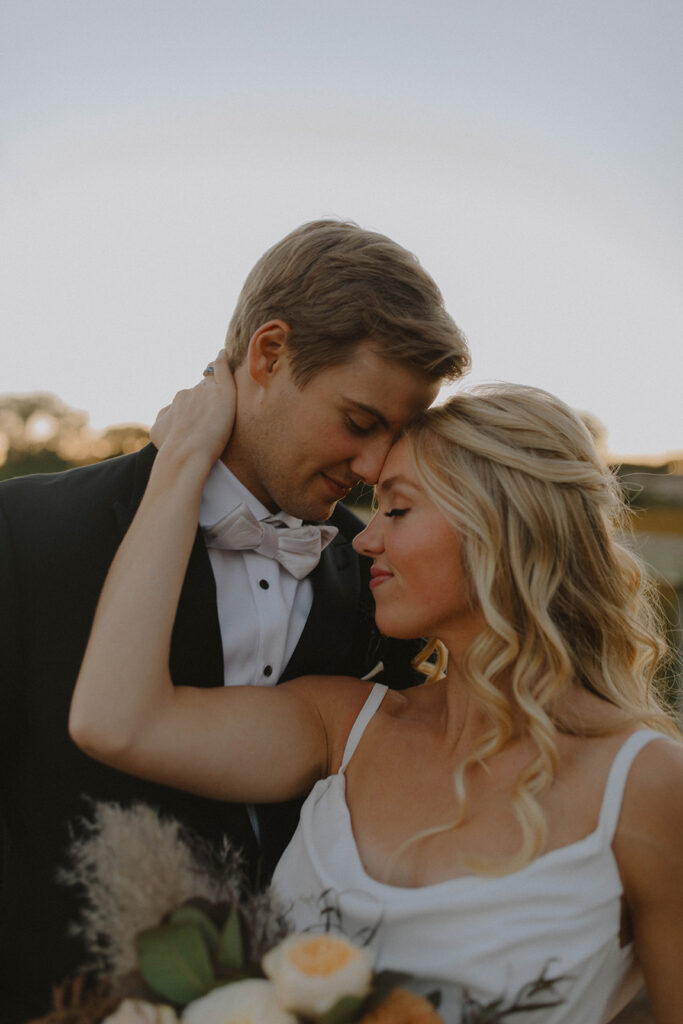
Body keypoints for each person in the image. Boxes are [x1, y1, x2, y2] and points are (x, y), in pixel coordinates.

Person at [69, 356, 683, 1024]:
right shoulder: (342, 726)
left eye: (396, 508)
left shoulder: (646, 785)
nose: (366, 540)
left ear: (502, 528)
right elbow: (115, 721)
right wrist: (183, 460)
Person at [0, 219, 470, 1022]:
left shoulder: (377, 573)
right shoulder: (25, 536)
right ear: (268, 353)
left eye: (394, 434)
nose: (370, 465)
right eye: (359, 422)